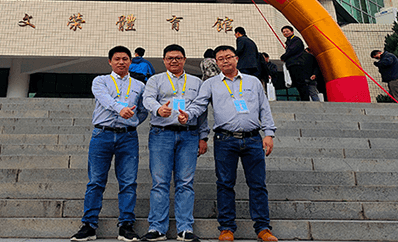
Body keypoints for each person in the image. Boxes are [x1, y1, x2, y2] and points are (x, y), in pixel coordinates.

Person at [179, 45, 278, 242]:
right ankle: (226, 228)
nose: (225, 61)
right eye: (220, 59)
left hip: (252, 138)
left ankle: (263, 228)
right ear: (216, 62)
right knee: (225, 184)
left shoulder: (252, 81)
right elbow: (199, 105)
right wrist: (188, 114)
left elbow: (264, 108)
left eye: (228, 57)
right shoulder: (210, 83)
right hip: (225, 140)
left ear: (236, 59)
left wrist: (269, 133)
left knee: (258, 184)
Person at [71, 46, 149, 242]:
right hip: (102, 135)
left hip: (127, 137)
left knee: (128, 182)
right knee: (96, 181)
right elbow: (104, 99)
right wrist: (120, 109)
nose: (121, 62)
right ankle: (89, 225)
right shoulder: (101, 81)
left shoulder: (139, 86)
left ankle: (126, 225)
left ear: (130, 61)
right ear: (110, 62)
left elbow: (143, 110)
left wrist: (132, 122)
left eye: (125, 59)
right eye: (117, 59)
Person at [141, 45, 209, 242]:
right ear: (164, 60)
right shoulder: (155, 80)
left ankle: (185, 228)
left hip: (189, 136)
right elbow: (147, 99)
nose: (174, 61)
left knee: (185, 183)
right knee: (159, 182)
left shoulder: (196, 82)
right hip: (161, 134)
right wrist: (157, 109)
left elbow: (202, 110)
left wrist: (203, 137)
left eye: (178, 57)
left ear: (184, 60)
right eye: (170, 58)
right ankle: (157, 228)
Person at [279, 26, 308, 101]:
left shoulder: (296, 40)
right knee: (296, 82)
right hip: (292, 64)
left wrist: (283, 56)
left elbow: (292, 50)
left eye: (287, 31)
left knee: (300, 82)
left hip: (297, 63)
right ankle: (303, 98)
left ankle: (305, 99)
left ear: (292, 32)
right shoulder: (289, 41)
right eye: (284, 32)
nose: (285, 33)